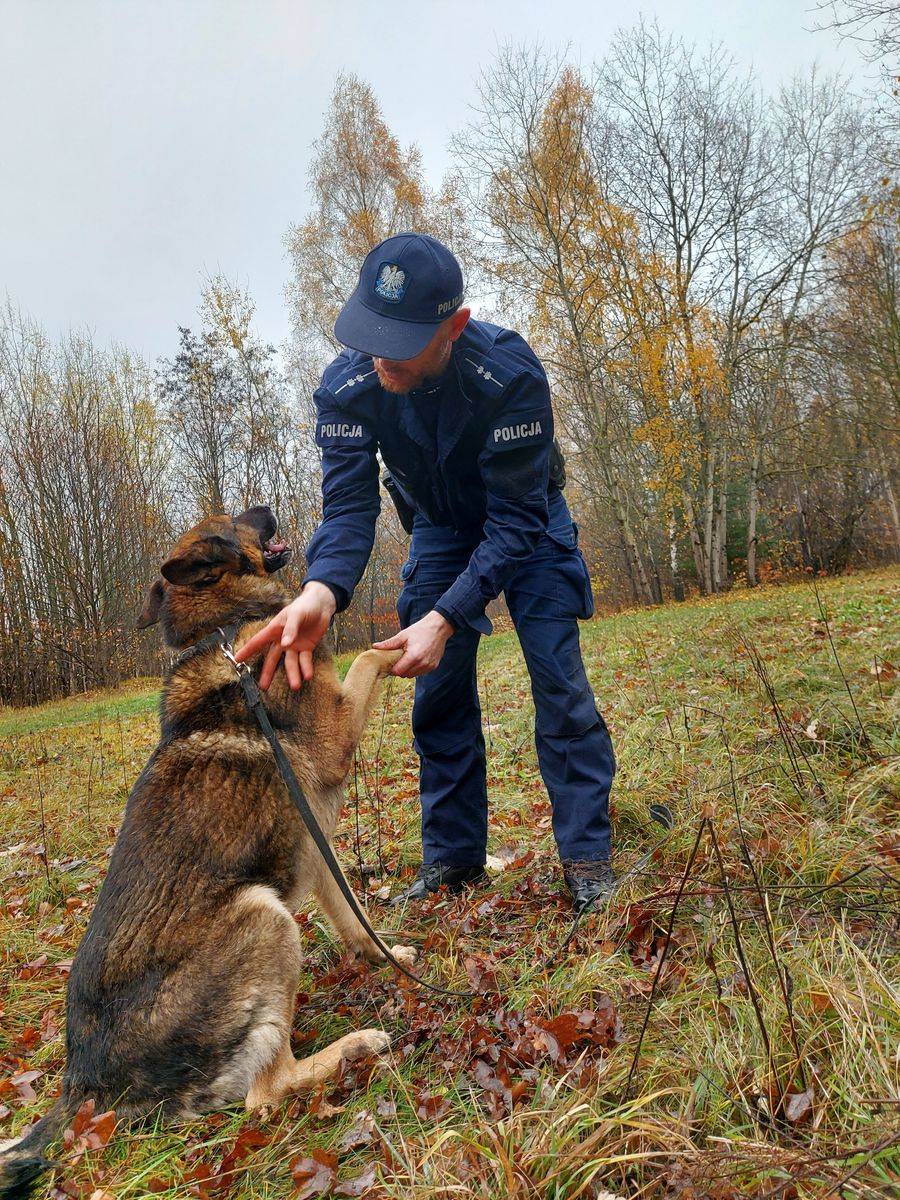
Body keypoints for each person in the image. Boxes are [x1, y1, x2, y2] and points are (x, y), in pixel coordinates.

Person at [236, 233, 616, 911]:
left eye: (403, 340)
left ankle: (587, 856)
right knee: (436, 694)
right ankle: (454, 859)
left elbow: (514, 524)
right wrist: (321, 591)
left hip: (526, 521)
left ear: (454, 327)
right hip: (440, 527)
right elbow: (349, 508)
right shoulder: (348, 388)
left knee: (558, 681)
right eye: (372, 334)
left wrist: (447, 616)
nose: (382, 355)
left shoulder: (510, 375)